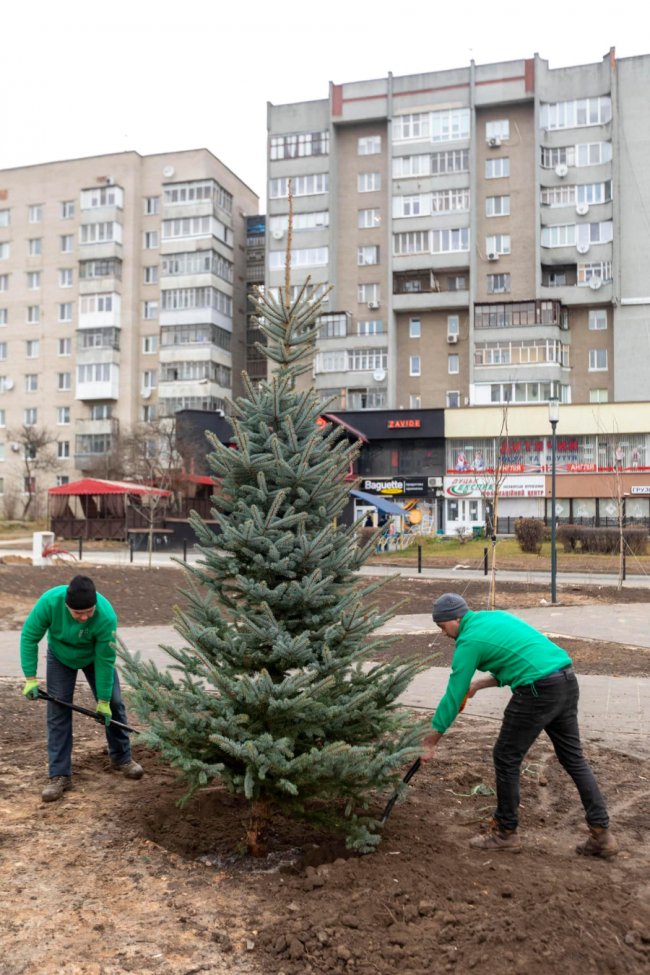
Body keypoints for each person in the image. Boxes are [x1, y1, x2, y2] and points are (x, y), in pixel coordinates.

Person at [421, 592, 618, 858]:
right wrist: (480, 683)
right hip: (566, 680)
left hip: (538, 690)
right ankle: (601, 834)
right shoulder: (494, 618)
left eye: (443, 627)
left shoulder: (468, 642)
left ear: (455, 619)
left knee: (506, 756)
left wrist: (431, 740)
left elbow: (454, 693)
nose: (444, 634)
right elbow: (518, 656)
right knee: (573, 758)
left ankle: (505, 832)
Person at [20, 574, 143, 802]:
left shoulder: (105, 615)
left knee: (115, 703)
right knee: (58, 711)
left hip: (94, 658)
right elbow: (29, 637)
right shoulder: (50, 602)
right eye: (78, 614)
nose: (85, 617)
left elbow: (106, 659)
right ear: (67, 606)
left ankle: (122, 758)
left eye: (89, 611)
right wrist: (30, 678)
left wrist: (103, 700)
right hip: (61, 657)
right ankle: (59, 775)